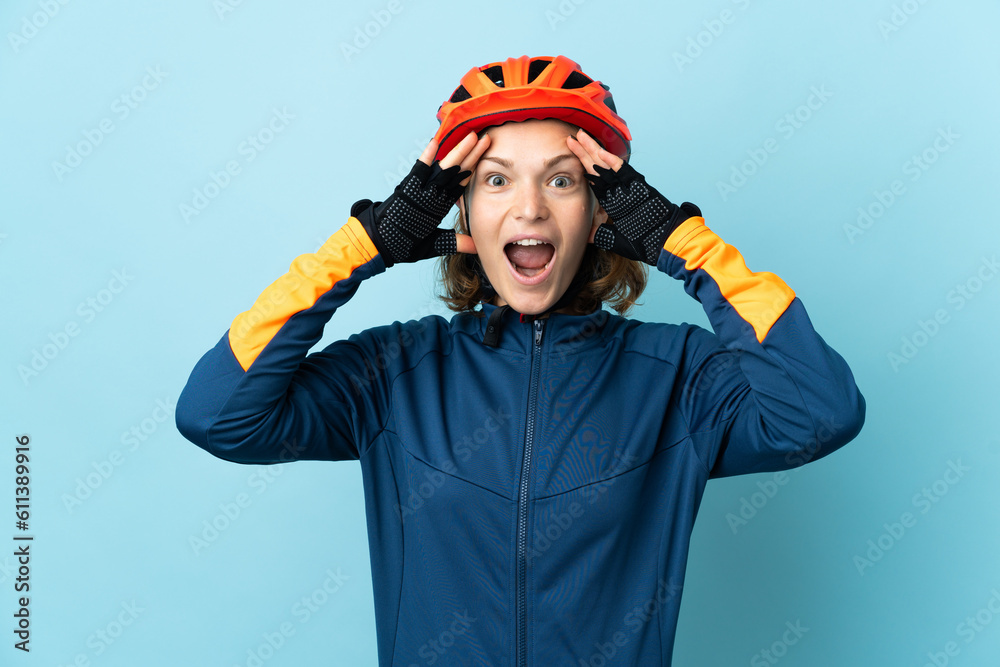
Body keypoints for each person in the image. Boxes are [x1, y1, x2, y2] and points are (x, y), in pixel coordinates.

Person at [176, 55, 866, 666]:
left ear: (600, 212)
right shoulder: (395, 372)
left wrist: (682, 242)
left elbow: (820, 411)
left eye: (561, 181)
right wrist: (368, 243)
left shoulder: (678, 378)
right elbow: (217, 414)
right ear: (463, 212)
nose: (530, 208)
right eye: (497, 180)